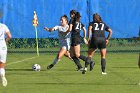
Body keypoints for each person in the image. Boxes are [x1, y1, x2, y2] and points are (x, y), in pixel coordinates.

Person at [0, 20, 12, 86]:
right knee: (2, 64)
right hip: (2, 47)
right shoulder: (3, 26)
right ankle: (2, 74)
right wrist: (5, 40)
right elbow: (9, 36)